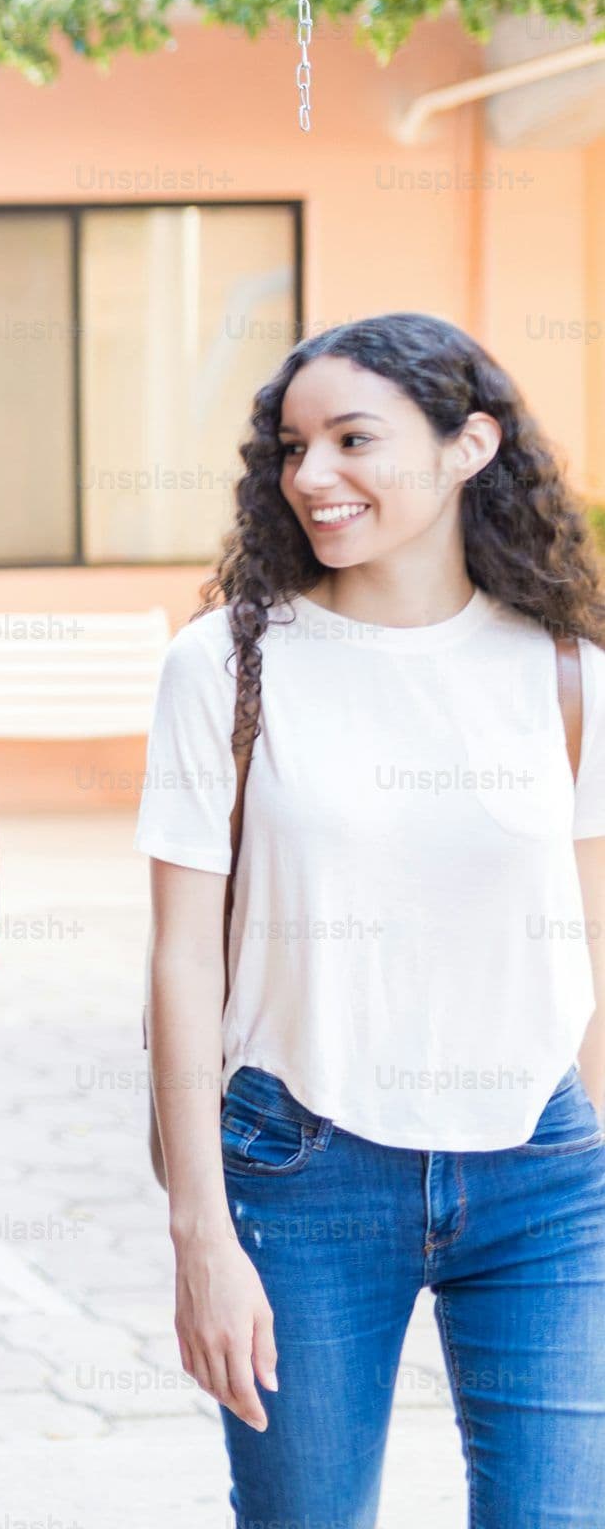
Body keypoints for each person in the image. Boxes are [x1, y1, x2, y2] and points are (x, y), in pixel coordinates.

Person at [143, 313, 605, 1528]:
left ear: (471, 446)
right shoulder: (226, 665)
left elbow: (597, 943)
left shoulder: (569, 671)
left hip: (546, 1173)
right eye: (293, 446)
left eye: (355, 439)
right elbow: (183, 957)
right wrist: (200, 1229)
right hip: (303, 1165)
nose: (312, 476)